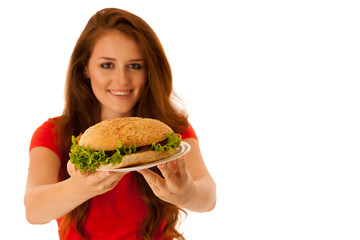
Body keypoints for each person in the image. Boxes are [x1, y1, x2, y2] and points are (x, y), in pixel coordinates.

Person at [24, 8, 216, 240]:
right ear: (85, 68)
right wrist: (80, 187)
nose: (122, 80)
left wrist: (186, 192)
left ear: (149, 71)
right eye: (107, 65)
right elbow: (33, 211)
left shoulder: (171, 128)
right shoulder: (53, 133)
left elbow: (208, 198)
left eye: (135, 65)